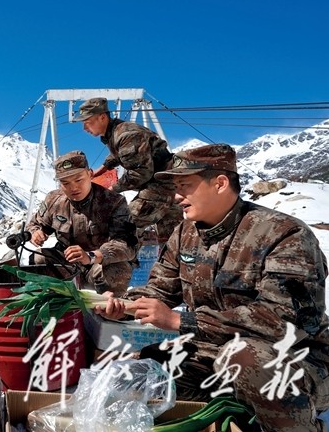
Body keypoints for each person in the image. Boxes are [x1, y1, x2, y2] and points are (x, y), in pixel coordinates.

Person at [97, 144, 329, 432]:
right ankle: (228, 416)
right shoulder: (185, 233)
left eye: (185, 186)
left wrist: (182, 320)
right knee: (146, 368)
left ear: (220, 183)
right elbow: (159, 289)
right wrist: (124, 305)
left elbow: (281, 320)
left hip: (292, 358)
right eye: (175, 187)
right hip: (215, 351)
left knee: (243, 358)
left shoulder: (284, 234)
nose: (177, 196)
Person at [26, 150, 138, 296]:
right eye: (65, 183)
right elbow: (35, 224)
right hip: (66, 265)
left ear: (90, 174)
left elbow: (126, 244)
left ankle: (108, 310)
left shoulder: (114, 202)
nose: (73, 188)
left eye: (78, 180)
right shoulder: (53, 200)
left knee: (119, 269)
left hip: (96, 264)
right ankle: (53, 298)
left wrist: (91, 256)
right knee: (38, 257)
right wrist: (36, 232)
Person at [75, 97, 183, 244]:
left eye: (87, 122)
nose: (84, 128)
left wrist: (112, 189)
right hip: (165, 184)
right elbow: (120, 154)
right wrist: (101, 169)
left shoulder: (126, 135)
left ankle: (117, 264)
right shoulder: (115, 133)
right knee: (172, 240)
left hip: (159, 186)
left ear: (102, 117)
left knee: (124, 226)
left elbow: (140, 173)